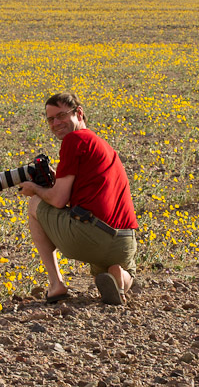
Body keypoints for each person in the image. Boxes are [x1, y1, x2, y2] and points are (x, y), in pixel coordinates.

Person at [18, 92, 138, 305]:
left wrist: (35, 188)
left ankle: (56, 285)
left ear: (79, 114)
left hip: (91, 236)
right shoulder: (102, 146)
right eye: (51, 119)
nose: (55, 123)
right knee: (114, 270)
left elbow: (57, 200)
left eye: (61, 116)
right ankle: (121, 277)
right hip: (125, 242)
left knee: (34, 205)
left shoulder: (74, 140)